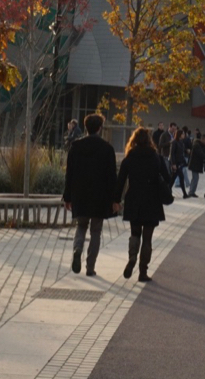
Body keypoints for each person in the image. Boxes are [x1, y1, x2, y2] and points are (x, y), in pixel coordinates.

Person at [63, 113, 118, 277]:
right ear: (100, 128)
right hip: (99, 196)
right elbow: (112, 177)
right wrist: (115, 200)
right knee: (96, 231)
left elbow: (69, 174)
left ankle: (77, 248)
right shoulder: (107, 149)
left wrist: (67, 197)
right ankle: (90, 267)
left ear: (85, 127)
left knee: (81, 226)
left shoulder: (76, 147)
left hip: (80, 194)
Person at [115, 126, 171, 282]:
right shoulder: (156, 157)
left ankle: (132, 257)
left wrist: (116, 200)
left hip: (134, 199)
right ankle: (143, 272)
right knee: (147, 238)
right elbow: (167, 178)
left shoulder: (130, 157)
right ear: (149, 140)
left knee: (135, 233)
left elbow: (120, 181)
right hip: (152, 200)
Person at [187, 133, 205, 197]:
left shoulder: (202, 145)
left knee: (195, 178)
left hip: (197, 164)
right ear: (202, 139)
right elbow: (201, 154)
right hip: (194, 164)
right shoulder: (196, 145)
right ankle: (191, 192)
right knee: (195, 178)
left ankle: (192, 191)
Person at [169, 129, 190, 199]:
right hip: (176, 163)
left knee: (174, 178)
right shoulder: (174, 142)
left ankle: (168, 191)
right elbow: (172, 153)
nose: (184, 135)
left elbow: (181, 152)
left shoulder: (181, 142)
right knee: (180, 177)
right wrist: (173, 164)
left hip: (180, 163)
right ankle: (184, 194)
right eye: (183, 134)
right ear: (179, 135)